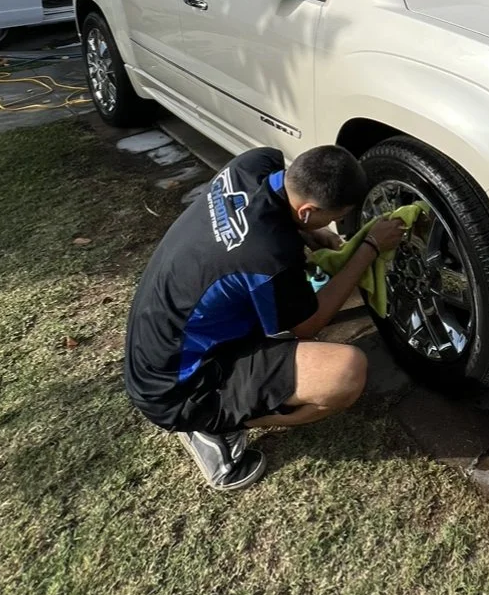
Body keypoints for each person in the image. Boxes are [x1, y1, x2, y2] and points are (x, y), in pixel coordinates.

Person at [123, 144, 404, 492]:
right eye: (333, 217)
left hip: (157, 343)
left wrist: (311, 233)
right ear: (307, 211)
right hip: (178, 388)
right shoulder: (269, 257)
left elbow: (270, 217)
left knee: (273, 302)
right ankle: (214, 426)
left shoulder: (254, 163)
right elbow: (308, 325)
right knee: (344, 373)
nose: (335, 223)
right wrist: (369, 249)